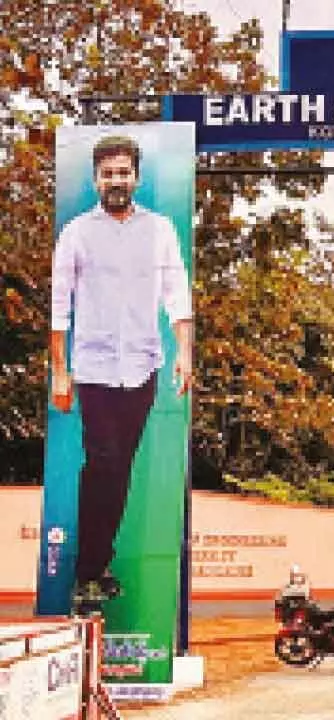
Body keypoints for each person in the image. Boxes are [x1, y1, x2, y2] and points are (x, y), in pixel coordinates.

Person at [50, 134, 193, 603]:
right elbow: (59, 306)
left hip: (142, 366)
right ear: (96, 179)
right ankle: (87, 571)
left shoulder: (159, 231)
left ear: (136, 177)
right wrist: (60, 371)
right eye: (107, 173)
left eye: (123, 172)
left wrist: (185, 353)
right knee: (103, 462)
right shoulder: (76, 233)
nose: (116, 180)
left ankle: (98, 564)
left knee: (120, 467)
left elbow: (177, 295)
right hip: (92, 367)